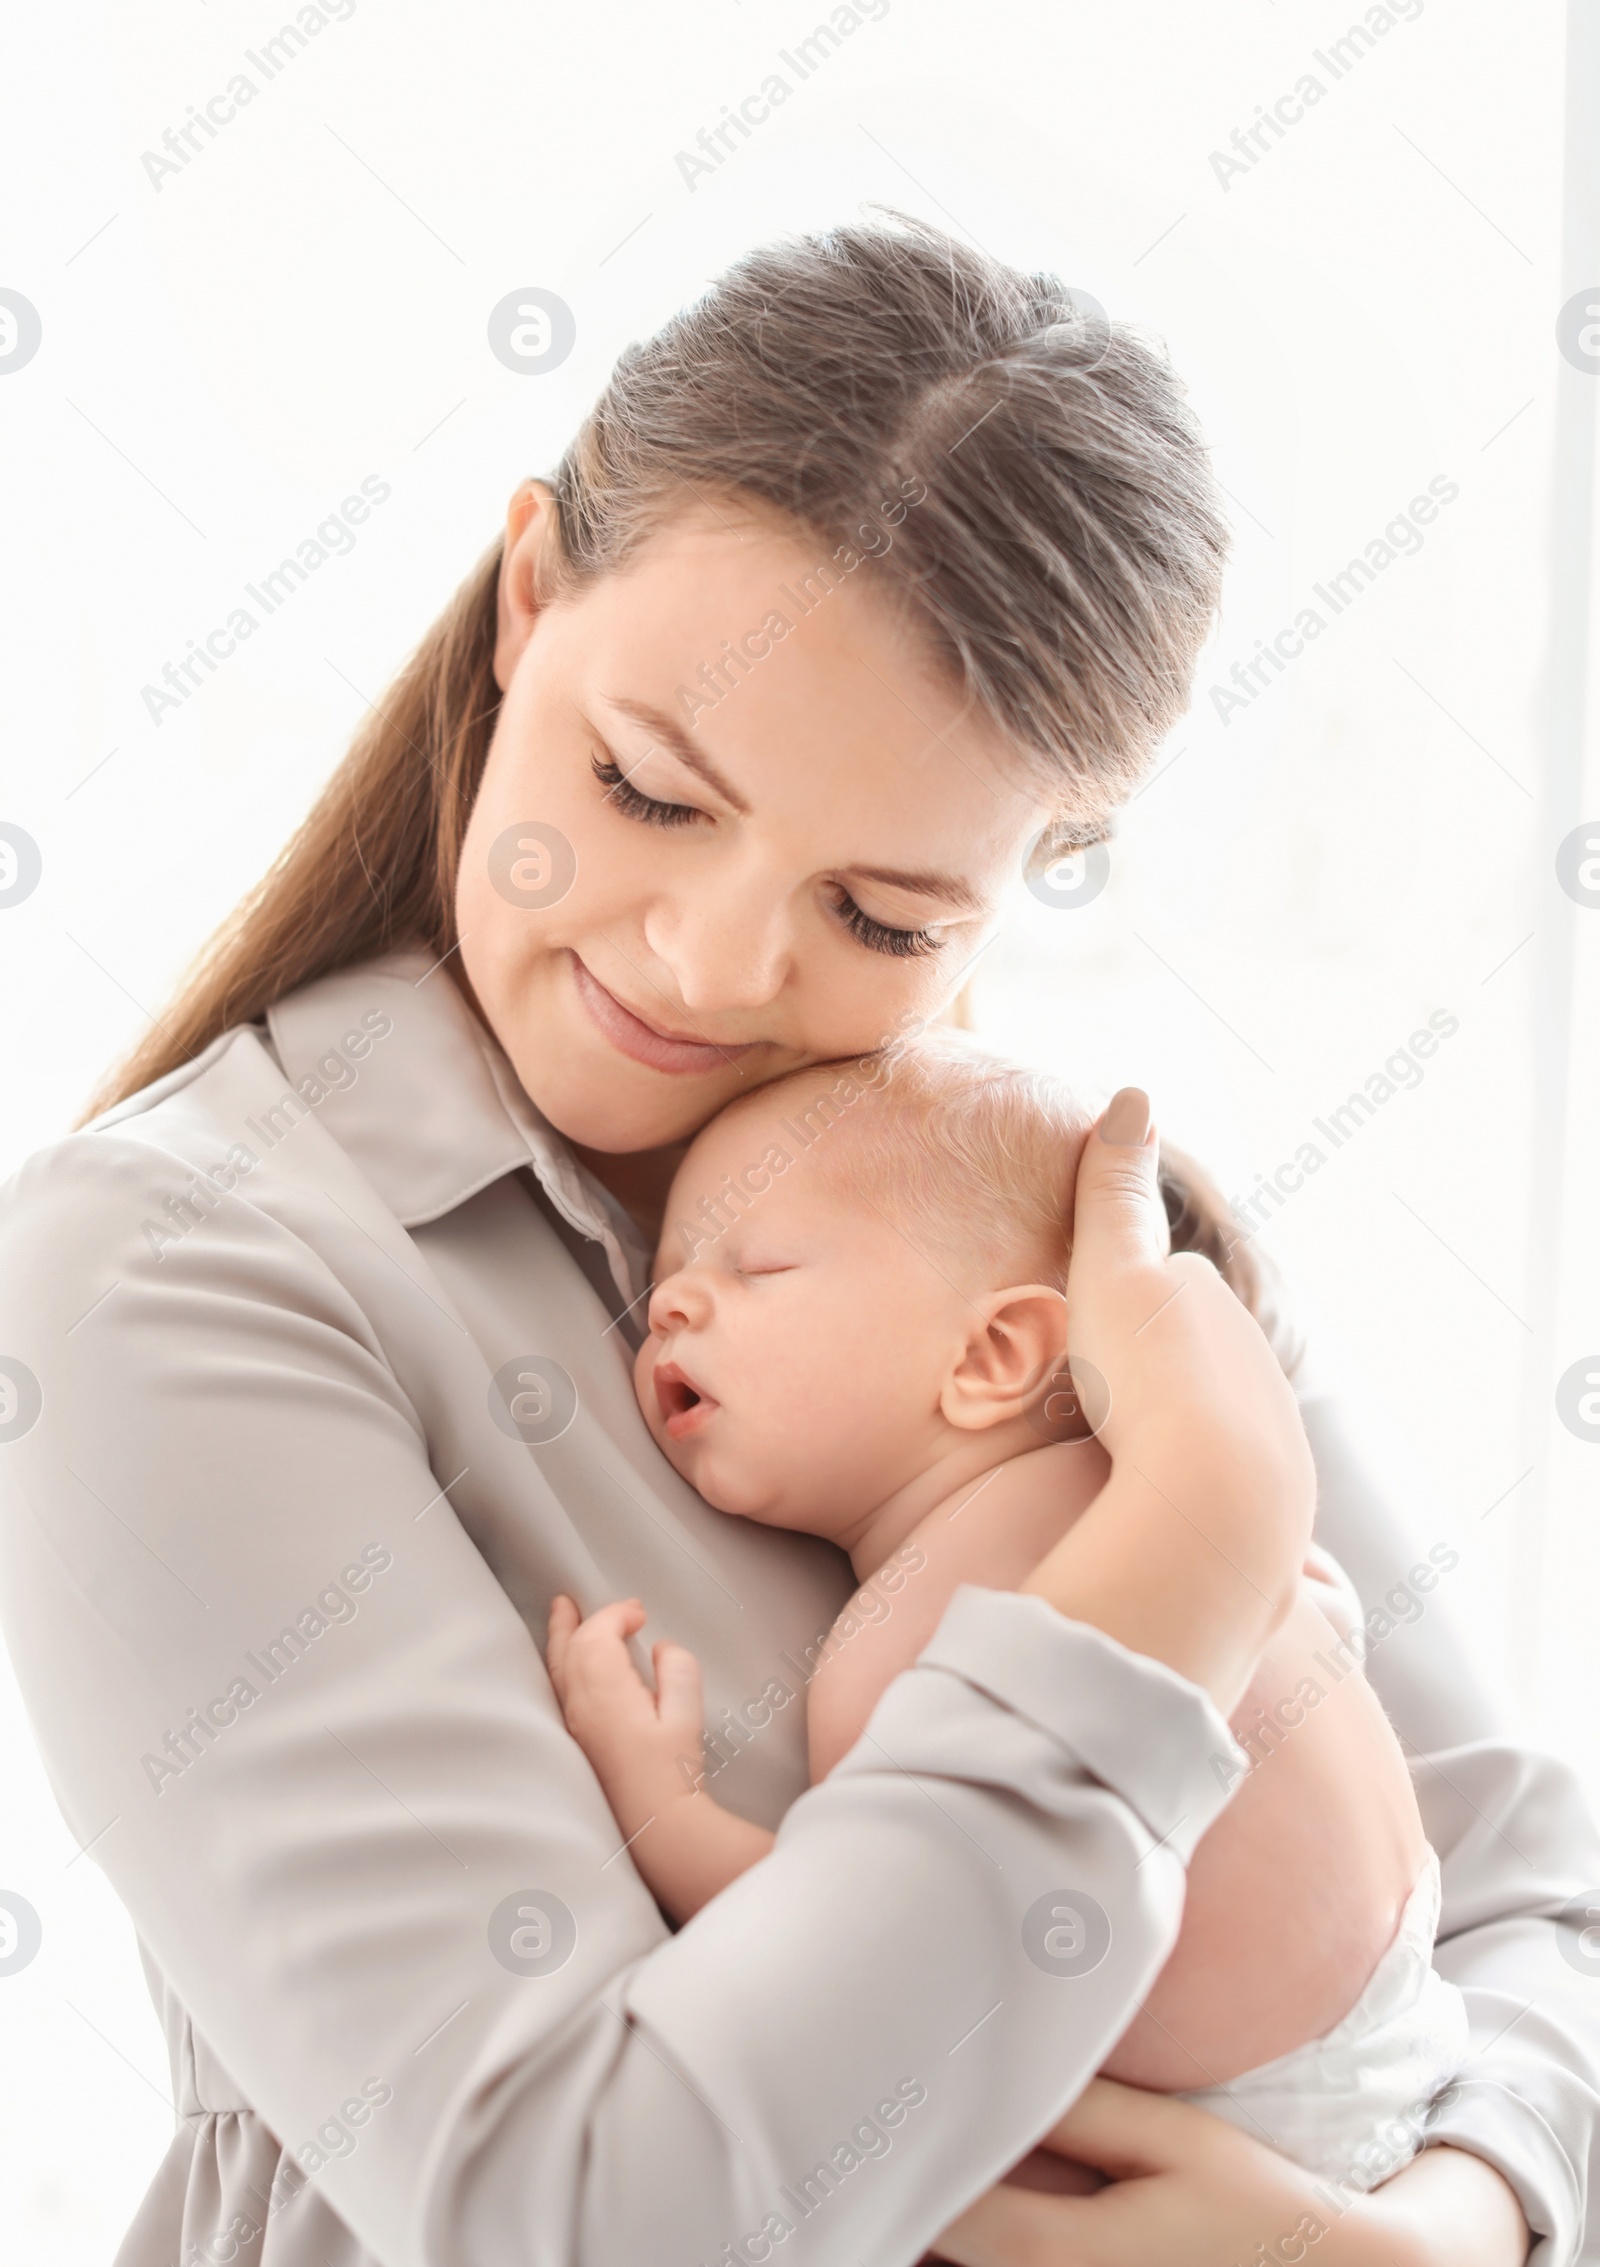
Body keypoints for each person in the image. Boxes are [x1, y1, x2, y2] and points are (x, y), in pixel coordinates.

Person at [0, 214, 1585, 2267]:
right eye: (647, 786)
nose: (707, 958)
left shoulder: (1057, 1212)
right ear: (524, 597)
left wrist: (1441, 2230)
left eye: (886, 918)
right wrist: (1173, 1558)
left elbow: (1530, 1899)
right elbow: (572, 2213)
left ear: (1042, 873)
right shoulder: (172, 1274)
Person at [543, 1034, 1471, 2205]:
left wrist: (660, 1802)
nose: (667, 1301)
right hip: (1424, 2069)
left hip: (1220, 2136)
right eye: (672, 1266)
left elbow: (852, 1952)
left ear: (990, 1354)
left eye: (756, 1267)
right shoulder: (1181, 1488)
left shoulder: (919, 1626)